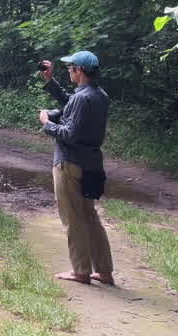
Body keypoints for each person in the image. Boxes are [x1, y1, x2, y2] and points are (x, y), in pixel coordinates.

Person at [38, 50, 114, 286]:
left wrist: (47, 124)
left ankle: (81, 271)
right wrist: (50, 81)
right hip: (90, 165)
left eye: (70, 69)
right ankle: (104, 271)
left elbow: (70, 133)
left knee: (73, 217)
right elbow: (71, 103)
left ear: (79, 71)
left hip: (69, 163)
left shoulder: (82, 98)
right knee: (90, 217)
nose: (68, 71)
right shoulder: (99, 95)